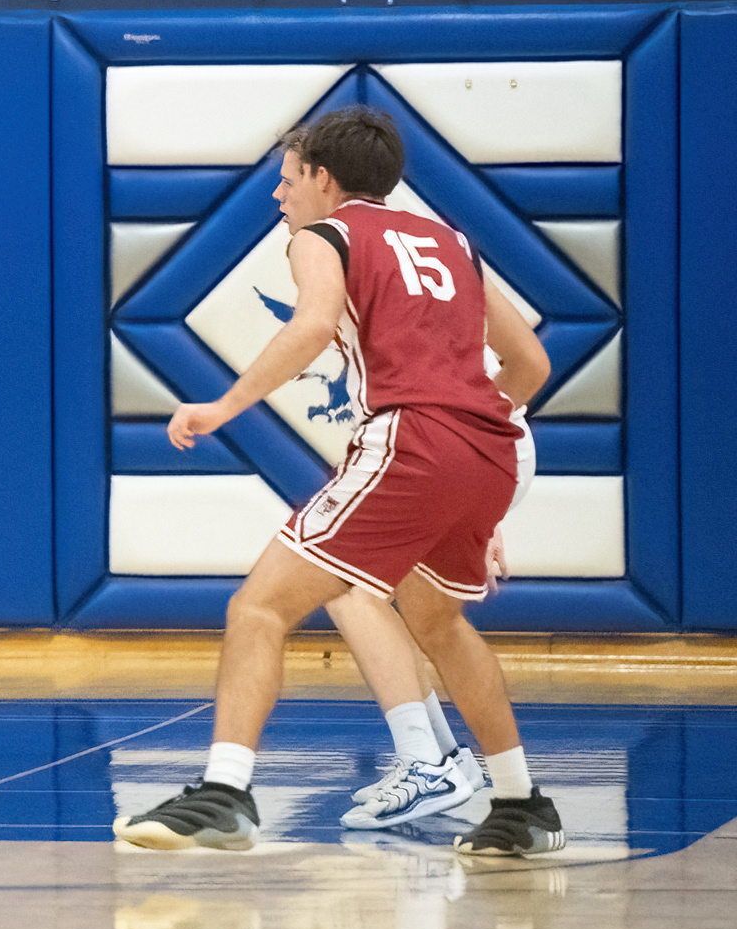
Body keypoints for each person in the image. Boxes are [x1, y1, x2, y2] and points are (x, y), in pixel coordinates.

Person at [113, 106, 566, 856]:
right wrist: (466, 445)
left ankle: (225, 793)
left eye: (288, 180)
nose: (279, 195)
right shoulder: (452, 242)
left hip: (412, 441)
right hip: (489, 451)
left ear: (324, 179)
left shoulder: (325, 236)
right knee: (439, 624)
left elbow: (313, 325)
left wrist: (222, 406)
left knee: (258, 607)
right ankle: (523, 805)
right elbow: (532, 365)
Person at [330, 337, 546, 830]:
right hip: (463, 450)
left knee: (346, 585)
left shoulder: (366, 291)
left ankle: (426, 764)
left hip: (454, 451)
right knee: (406, 609)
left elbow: (509, 372)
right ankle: (447, 759)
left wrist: (476, 483)